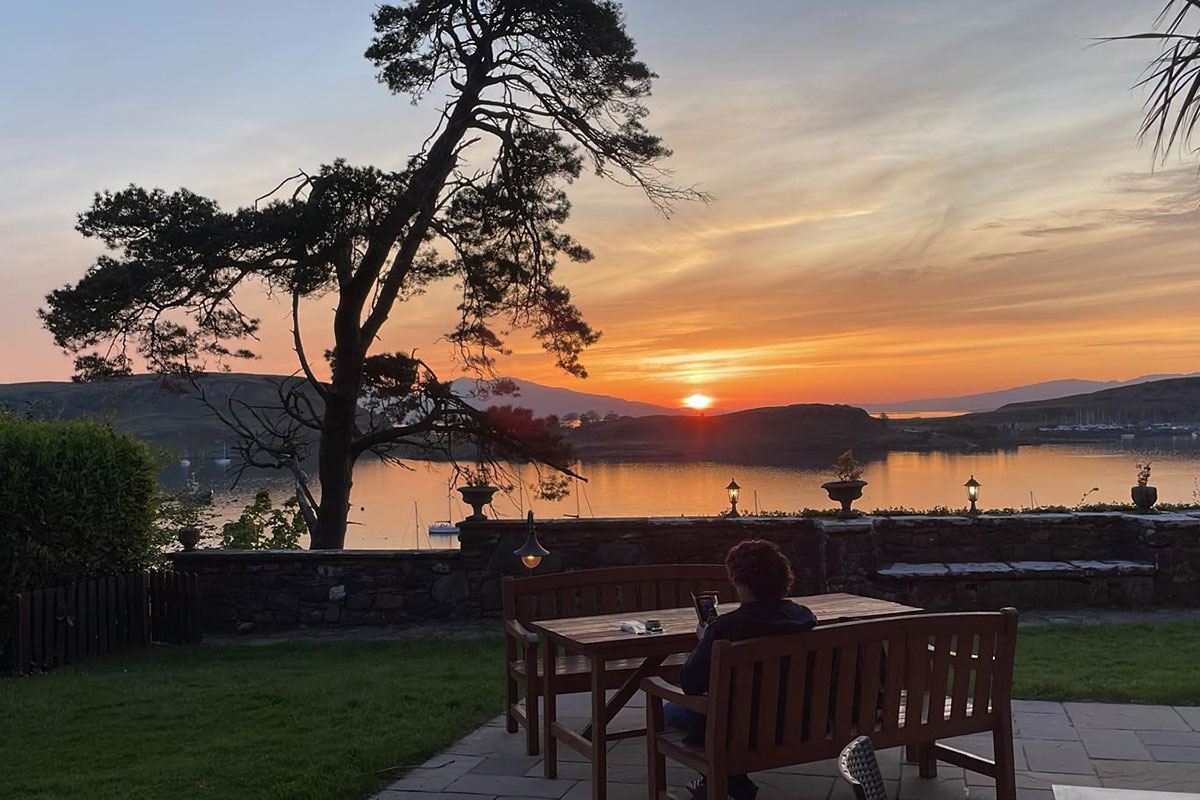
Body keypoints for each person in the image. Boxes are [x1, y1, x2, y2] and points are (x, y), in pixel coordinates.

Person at [664, 539, 817, 800]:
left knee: (670, 709)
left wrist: (705, 640)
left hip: (742, 730)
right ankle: (730, 782)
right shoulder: (804, 616)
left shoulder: (726, 628)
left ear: (740, 583)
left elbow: (690, 683)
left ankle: (727, 780)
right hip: (801, 723)